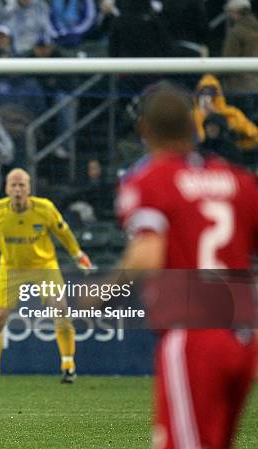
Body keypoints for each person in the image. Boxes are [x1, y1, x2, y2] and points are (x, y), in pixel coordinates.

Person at [116, 84, 257, 449]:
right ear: (194, 125)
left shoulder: (150, 181)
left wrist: (97, 292)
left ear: (144, 129)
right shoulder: (238, 180)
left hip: (193, 333)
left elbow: (147, 255)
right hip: (242, 337)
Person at [0, 168, 93, 384]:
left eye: (21, 185)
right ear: (6, 188)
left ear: (29, 188)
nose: (17, 189)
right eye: (13, 185)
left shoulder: (44, 209)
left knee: (60, 309)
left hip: (44, 266)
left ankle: (68, 366)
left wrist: (77, 254)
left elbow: (63, 232)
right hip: (11, 268)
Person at [192, 74, 257, 150]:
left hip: (227, 155)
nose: (207, 99)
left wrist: (236, 142)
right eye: (202, 93)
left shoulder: (231, 114)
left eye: (211, 93)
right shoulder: (190, 117)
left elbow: (254, 135)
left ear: (218, 95)